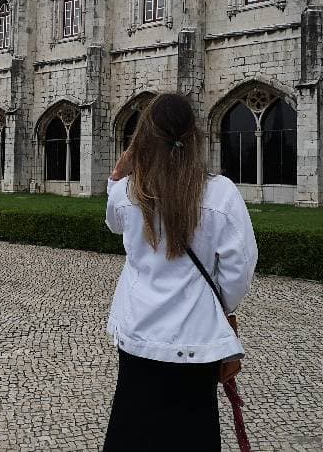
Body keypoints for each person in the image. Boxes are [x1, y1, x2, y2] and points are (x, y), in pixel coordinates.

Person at [102, 93, 258, 452]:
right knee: (193, 433)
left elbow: (112, 221)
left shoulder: (129, 191)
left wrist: (118, 173)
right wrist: (216, 304)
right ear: (194, 137)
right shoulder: (221, 194)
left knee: (131, 430)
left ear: (142, 138)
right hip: (195, 343)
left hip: (138, 335)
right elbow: (240, 269)